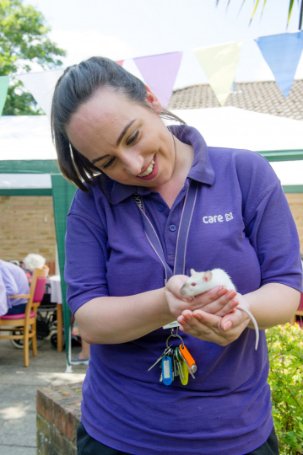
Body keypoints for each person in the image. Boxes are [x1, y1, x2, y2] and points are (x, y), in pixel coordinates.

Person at [50, 56, 302, 455]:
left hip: (236, 435)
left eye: (132, 137)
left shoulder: (245, 172)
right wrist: (165, 303)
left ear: (151, 100)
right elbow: (89, 319)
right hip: (119, 436)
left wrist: (240, 313)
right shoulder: (91, 202)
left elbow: (286, 289)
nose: (134, 165)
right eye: (107, 162)